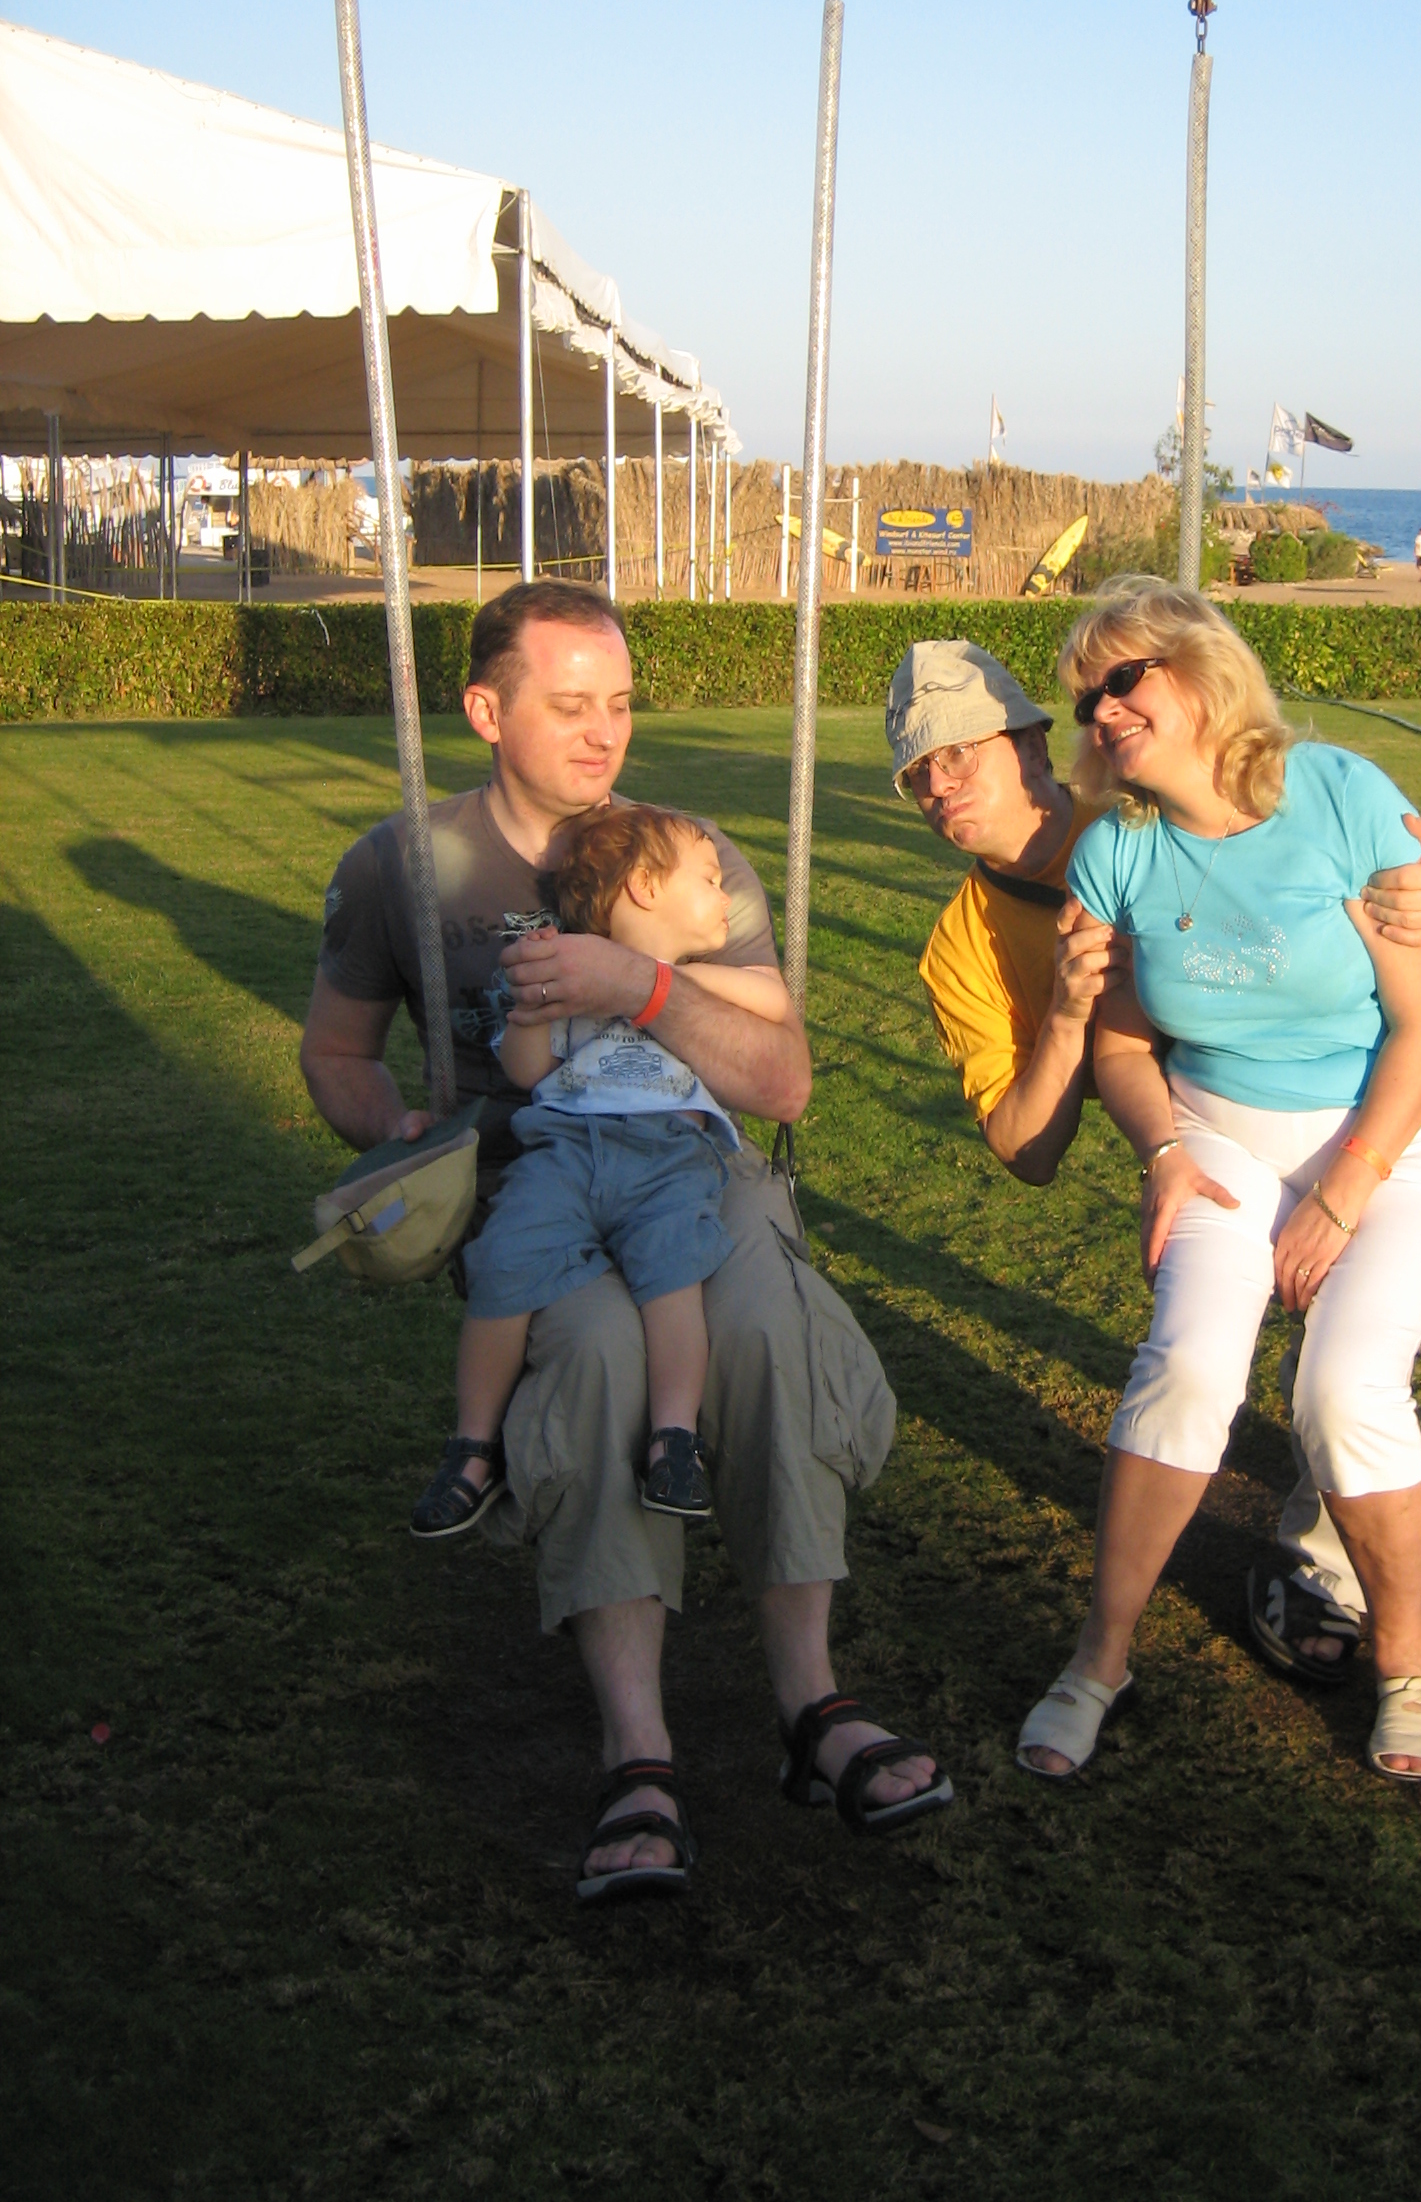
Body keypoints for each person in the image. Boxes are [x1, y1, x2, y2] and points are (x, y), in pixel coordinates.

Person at [887, 636, 1421, 1708]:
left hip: (1379, 1105)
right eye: (918, 771)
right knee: (1292, 1357)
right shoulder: (967, 942)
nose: (940, 784)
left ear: (1035, 743)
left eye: (961, 751)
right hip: (1213, 1133)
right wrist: (1069, 1016)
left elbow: (1360, 855)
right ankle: (1318, 1566)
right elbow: (1027, 1150)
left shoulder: (1137, 790)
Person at [302, 579, 952, 1904]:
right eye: (569, 705)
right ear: (487, 711)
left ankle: (812, 1703)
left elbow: (781, 1081)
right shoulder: (402, 866)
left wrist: (641, 984)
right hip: (532, 1186)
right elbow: (334, 1053)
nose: (605, 733)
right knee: (598, 1355)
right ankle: (637, 1749)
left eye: (620, 703)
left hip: (696, 1172)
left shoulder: (683, 852)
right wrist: (397, 1130)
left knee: (767, 1330)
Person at [1015, 580, 1421, 1779]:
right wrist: (1164, 1153)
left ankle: (1406, 1657)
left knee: (1346, 1388)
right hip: (1219, 1133)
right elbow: (1124, 1046)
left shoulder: (1338, 795)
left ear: (1202, 668)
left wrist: (1342, 1193)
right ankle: (1099, 1660)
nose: (1102, 708)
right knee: (1186, 1369)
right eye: (1088, 694)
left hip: (1397, 1133)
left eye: (1125, 677)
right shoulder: (1115, 850)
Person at [409, 803, 759, 1542]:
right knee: (503, 1263)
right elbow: (526, 1070)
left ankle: (674, 1441)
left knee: (673, 1278)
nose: (725, 893)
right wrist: (533, 1002)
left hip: (668, 1159)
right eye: (708, 878)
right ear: (645, 888)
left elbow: (772, 999)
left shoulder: (701, 979)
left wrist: (650, 983)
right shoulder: (571, 974)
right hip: (565, 1152)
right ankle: (474, 1446)